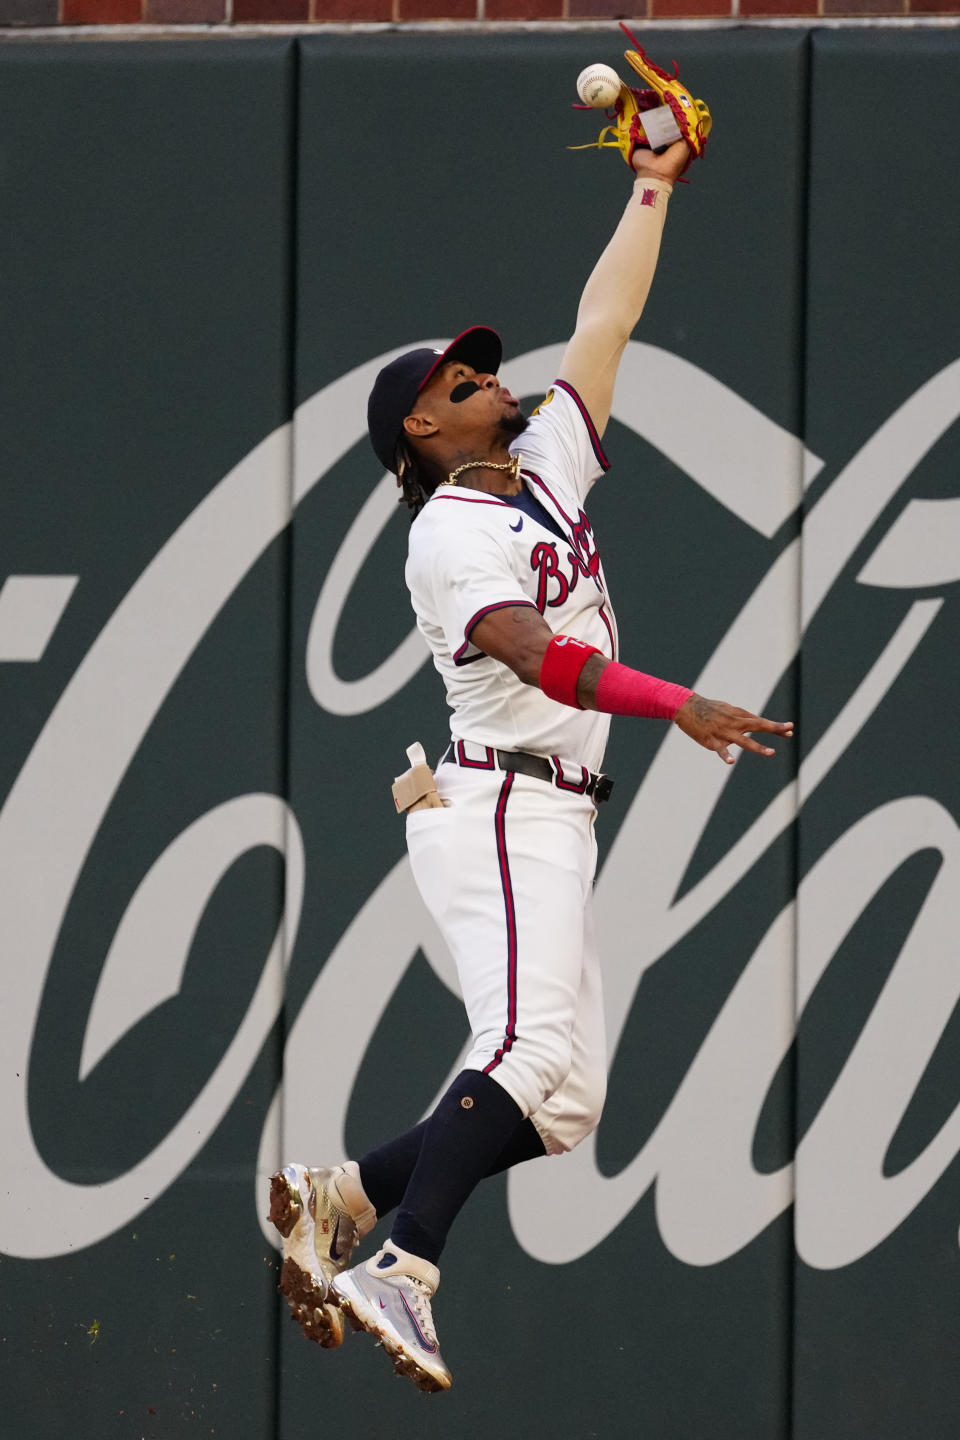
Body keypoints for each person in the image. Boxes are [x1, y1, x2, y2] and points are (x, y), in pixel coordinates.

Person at [268, 137, 793, 1394]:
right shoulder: (447, 533)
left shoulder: (540, 470)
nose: (490, 376)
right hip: (495, 802)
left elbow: (606, 315)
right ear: (422, 423)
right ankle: (403, 1264)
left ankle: (333, 1197)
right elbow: (534, 656)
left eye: (486, 365)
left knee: (562, 1106)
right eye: (463, 375)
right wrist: (676, 702)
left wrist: (654, 179)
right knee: (523, 1041)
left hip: (553, 814)